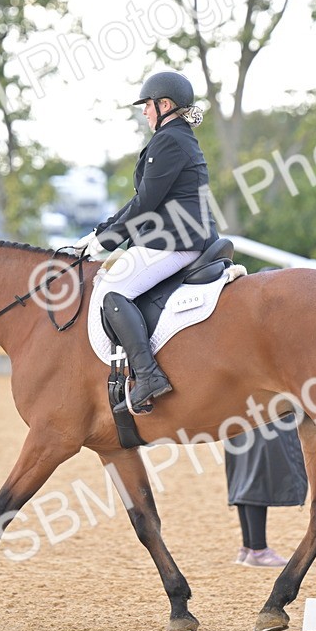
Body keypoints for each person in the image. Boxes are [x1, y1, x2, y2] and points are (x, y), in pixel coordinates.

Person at [73, 71, 218, 414]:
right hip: (177, 235)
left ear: (164, 105)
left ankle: (149, 376)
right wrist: (100, 233)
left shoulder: (169, 140)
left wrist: (108, 242)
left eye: (148, 106)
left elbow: (146, 203)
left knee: (113, 292)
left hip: (175, 240)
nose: (144, 112)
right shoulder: (175, 137)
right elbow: (140, 199)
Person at [225, 415, 308, 568]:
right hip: (263, 409)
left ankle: (249, 547)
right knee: (258, 470)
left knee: (245, 470)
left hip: (240, 411)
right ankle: (258, 550)